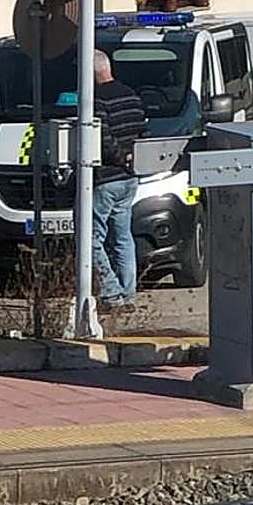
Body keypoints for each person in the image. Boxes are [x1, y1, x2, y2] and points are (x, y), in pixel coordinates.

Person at [92, 50, 147, 312]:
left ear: (92, 74)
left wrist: (119, 157)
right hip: (130, 178)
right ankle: (128, 294)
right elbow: (142, 132)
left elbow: (100, 137)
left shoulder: (96, 100)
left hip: (106, 177)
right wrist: (132, 160)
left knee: (91, 239)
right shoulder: (132, 95)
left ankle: (112, 293)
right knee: (123, 237)